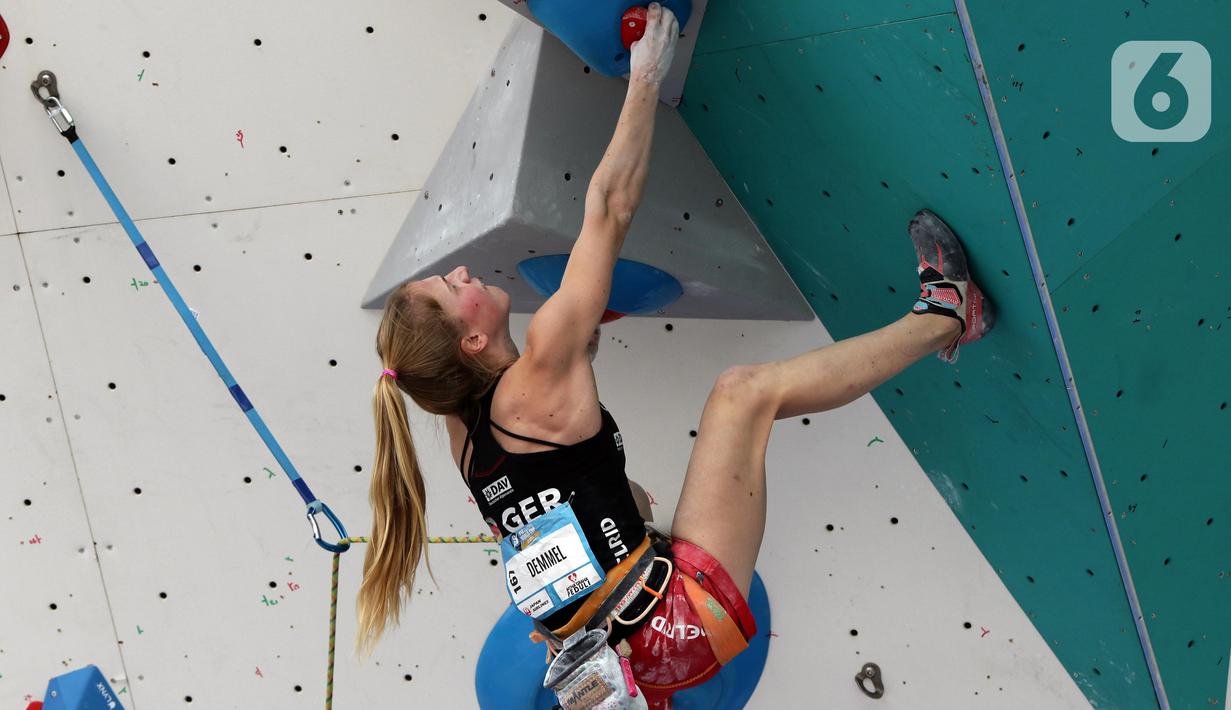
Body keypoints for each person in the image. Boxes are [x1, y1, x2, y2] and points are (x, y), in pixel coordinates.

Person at [356, 4, 993, 707]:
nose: (465, 274)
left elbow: (551, 501)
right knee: (743, 394)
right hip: (674, 626)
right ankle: (948, 314)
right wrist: (646, 76)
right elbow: (608, 209)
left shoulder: (466, 435)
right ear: (471, 341)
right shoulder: (537, 367)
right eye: (453, 288)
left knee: (671, 457)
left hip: (634, 652)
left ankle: (946, 320)